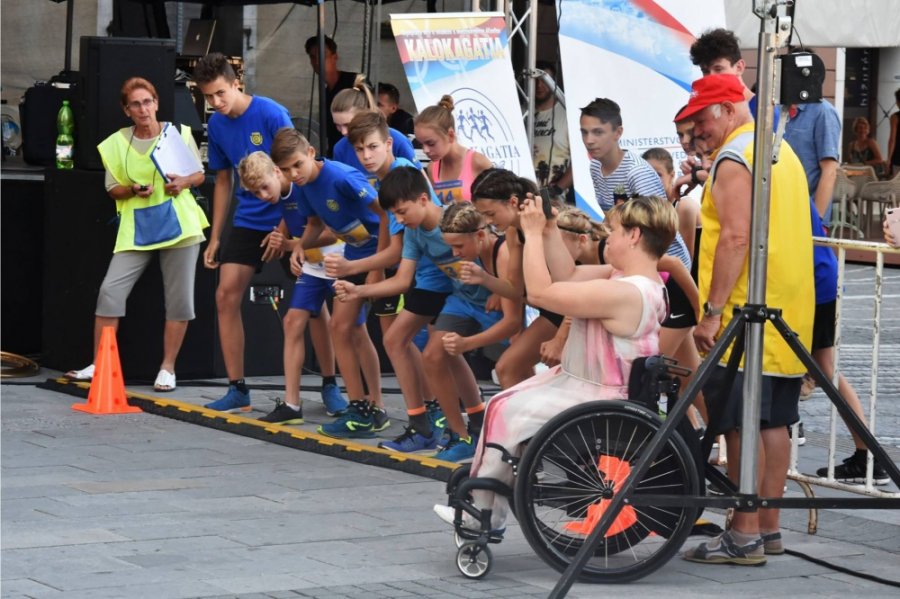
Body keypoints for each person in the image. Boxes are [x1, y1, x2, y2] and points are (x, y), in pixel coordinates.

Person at [433, 195, 673, 531]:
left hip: (598, 393)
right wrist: (546, 229)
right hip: (587, 381)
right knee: (502, 404)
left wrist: (530, 236)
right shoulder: (628, 279)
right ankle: (488, 500)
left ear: (633, 236)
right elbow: (569, 274)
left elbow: (543, 294)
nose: (608, 238)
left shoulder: (627, 292)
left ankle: (485, 513)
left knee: (508, 410)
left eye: (614, 231)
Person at [676, 74, 814, 566]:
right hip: (786, 307)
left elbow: (735, 238)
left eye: (702, 121)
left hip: (746, 313)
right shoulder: (781, 152)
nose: (697, 135)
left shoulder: (736, 159)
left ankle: (744, 531)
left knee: (739, 420)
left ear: (730, 109)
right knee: (773, 418)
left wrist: (711, 312)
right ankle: (768, 527)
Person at [65, 77, 208, 392]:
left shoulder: (178, 133)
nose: (143, 109)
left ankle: (168, 369)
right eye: (136, 104)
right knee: (109, 293)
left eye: (147, 101)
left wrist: (182, 183)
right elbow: (111, 189)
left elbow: (199, 174)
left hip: (180, 225)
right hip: (137, 225)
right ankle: (101, 363)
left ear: (156, 102)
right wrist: (131, 189)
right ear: (126, 110)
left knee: (179, 300)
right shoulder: (116, 142)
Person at [326, 111, 449, 449]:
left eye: (372, 147)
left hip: (436, 275)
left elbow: (397, 252)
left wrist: (355, 269)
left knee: (425, 349)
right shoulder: (387, 177)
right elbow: (388, 228)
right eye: (360, 149)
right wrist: (370, 271)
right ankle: (432, 420)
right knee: (405, 343)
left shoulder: (400, 175)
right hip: (422, 272)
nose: (366, 156)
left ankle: (440, 418)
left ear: (389, 144)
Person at [271, 127, 389, 438]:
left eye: (297, 165)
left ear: (310, 153)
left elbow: (387, 214)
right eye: (285, 170)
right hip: (352, 255)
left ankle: (365, 408)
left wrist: (379, 265)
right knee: (353, 330)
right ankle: (370, 408)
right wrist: (299, 246)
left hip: (376, 252)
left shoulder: (341, 177)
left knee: (346, 328)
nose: (293, 174)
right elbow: (313, 224)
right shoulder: (305, 186)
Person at [193, 53, 293, 413]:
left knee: (311, 305)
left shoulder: (270, 113)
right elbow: (222, 180)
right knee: (225, 295)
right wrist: (216, 236)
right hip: (248, 219)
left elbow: (292, 169)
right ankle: (238, 389)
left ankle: (329, 383)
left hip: (287, 215)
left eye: (220, 93)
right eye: (208, 97)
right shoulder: (217, 126)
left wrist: (284, 228)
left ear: (236, 83)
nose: (216, 103)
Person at [235, 152, 349, 423]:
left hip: (338, 257)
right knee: (293, 321)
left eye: (264, 187)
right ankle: (292, 403)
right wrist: (282, 234)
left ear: (277, 171)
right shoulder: (284, 192)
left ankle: (362, 400)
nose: (263, 196)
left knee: (350, 329)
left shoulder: (302, 185)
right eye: (255, 192)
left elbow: (336, 228)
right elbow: (291, 214)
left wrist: (293, 245)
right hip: (313, 262)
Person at [580, 98, 678, 218]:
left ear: (618, 133)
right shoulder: (595, 166)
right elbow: (611, 219)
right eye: (584, 132)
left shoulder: (637, 172)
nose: (589, 140)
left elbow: (660, 226)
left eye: (598, 132)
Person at [330, 77, 419, 175]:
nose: (344, 132)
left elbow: (421, 182)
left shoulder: (397, 139)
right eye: (338, 126)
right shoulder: (340, 148)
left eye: (373, 146)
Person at [414, 95, 492, 204]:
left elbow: (498, 205)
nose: (425, 150)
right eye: (421, 144)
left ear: (450, 135)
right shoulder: (432, 168)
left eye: (431, 143)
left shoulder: (478, 162)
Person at [304, 35, 360, 157]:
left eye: (323, 55)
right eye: (313, 57)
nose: (317, 61)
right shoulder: (325, 93)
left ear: (335, 57)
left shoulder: (354, 81)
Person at [642, 147, 701, 263]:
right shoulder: (649, 207)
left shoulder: (684, 206)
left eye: (658, 175)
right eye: (647, 175)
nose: (652, 179)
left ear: (672, 175)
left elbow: (685, 263)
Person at [532, 61, 572, 196]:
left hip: (556, 198)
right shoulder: (522, 113)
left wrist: (558, 189)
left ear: (554, 82)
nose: (539, 86)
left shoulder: (567, 114)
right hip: (523, 192)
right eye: (535, 81)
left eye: (544, 81)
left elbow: (580, 160)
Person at [888, 88, 900, 178]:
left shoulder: (895, 117)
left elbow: (892, 139)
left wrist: (889, 159)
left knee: (896, 186)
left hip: (898, 157)